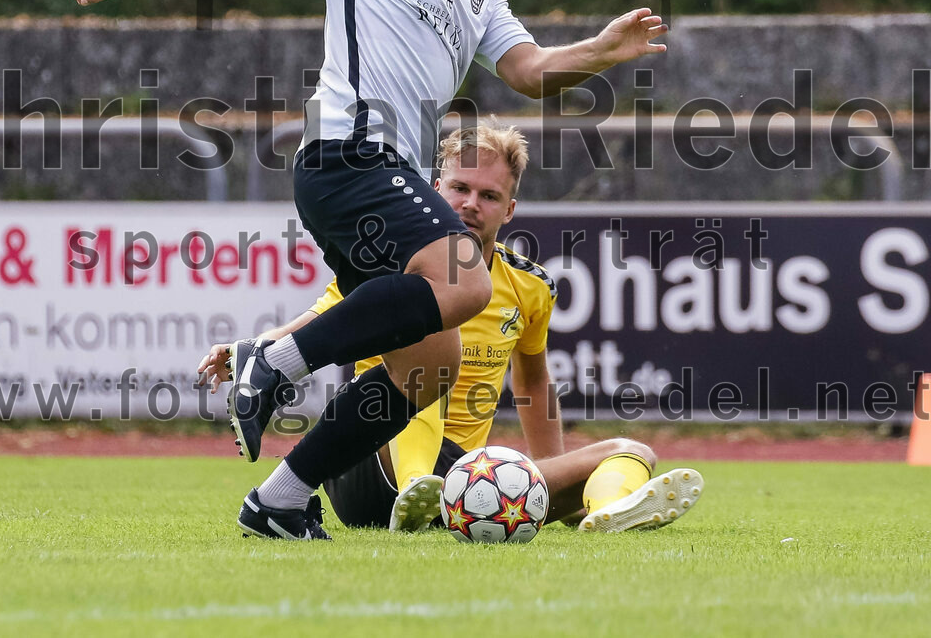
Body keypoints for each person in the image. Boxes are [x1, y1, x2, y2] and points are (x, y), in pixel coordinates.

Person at [72, 0, 669, 541]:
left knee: (430, 363)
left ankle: (282, 497)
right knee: (467, 280)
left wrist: (601, 52)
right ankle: (276, 358)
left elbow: (528, 68)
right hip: (348, 151)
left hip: (387, 172)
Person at [199, 122, 704, 535]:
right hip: (367, 466)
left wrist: (545, 471)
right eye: (459, 189)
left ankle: (605, 512)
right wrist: (255, 349)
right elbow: (316, 324)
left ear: (509, 210)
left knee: (632, 450)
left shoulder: (530, 286)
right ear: (434, 190)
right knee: (431, 351)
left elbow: (532, 383)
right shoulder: (394, 277)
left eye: (488, 195)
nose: (469, 204)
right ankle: (418, 488)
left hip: (470, 474)